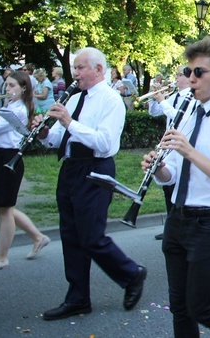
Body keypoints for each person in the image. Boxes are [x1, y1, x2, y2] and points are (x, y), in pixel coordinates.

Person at [143, 37, 210, 337]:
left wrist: (190, 151)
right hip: (178, 218)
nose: (191, 79)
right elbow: (174, 176)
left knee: (201, 307)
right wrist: (159, 169)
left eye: (199, 72)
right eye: (189, 72)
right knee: (179, 307)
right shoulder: (187, 112)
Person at [33, 47, 146, 321]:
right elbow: (58, 138)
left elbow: (105, 143)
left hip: (96, 169)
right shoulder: (73, 98)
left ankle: (132, 274)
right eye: (75, 67)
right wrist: (44, 131)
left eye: (81, 67)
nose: (76, 73)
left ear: (98, 69)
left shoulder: (110, 100)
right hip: (71, 169)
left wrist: (70, 123)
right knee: (71, 236)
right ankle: (78, 298)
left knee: (91, 236)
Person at [0, 71, 50, 273]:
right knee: (4, 207)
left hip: (10, 158)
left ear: (24, 88)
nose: (7, 89)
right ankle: (38, 237)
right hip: (1, 157)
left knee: (5, 209)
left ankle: (1, 258)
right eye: (6, 86)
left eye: (12, 86)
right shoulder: (11, 106)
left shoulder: (18, 110)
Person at [148, 65, 192, 240]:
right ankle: (170, 227)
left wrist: (162, 101)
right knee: (167, 188)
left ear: (189, 78)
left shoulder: (191, 97)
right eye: (177, 75)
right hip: (168, 146)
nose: (176, 78)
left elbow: (179, 118)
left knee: (176, 188)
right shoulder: (173, 97)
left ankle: (179, 227)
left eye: (180, 75)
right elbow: (154, 112)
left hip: (181, 146)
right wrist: (154, 98)